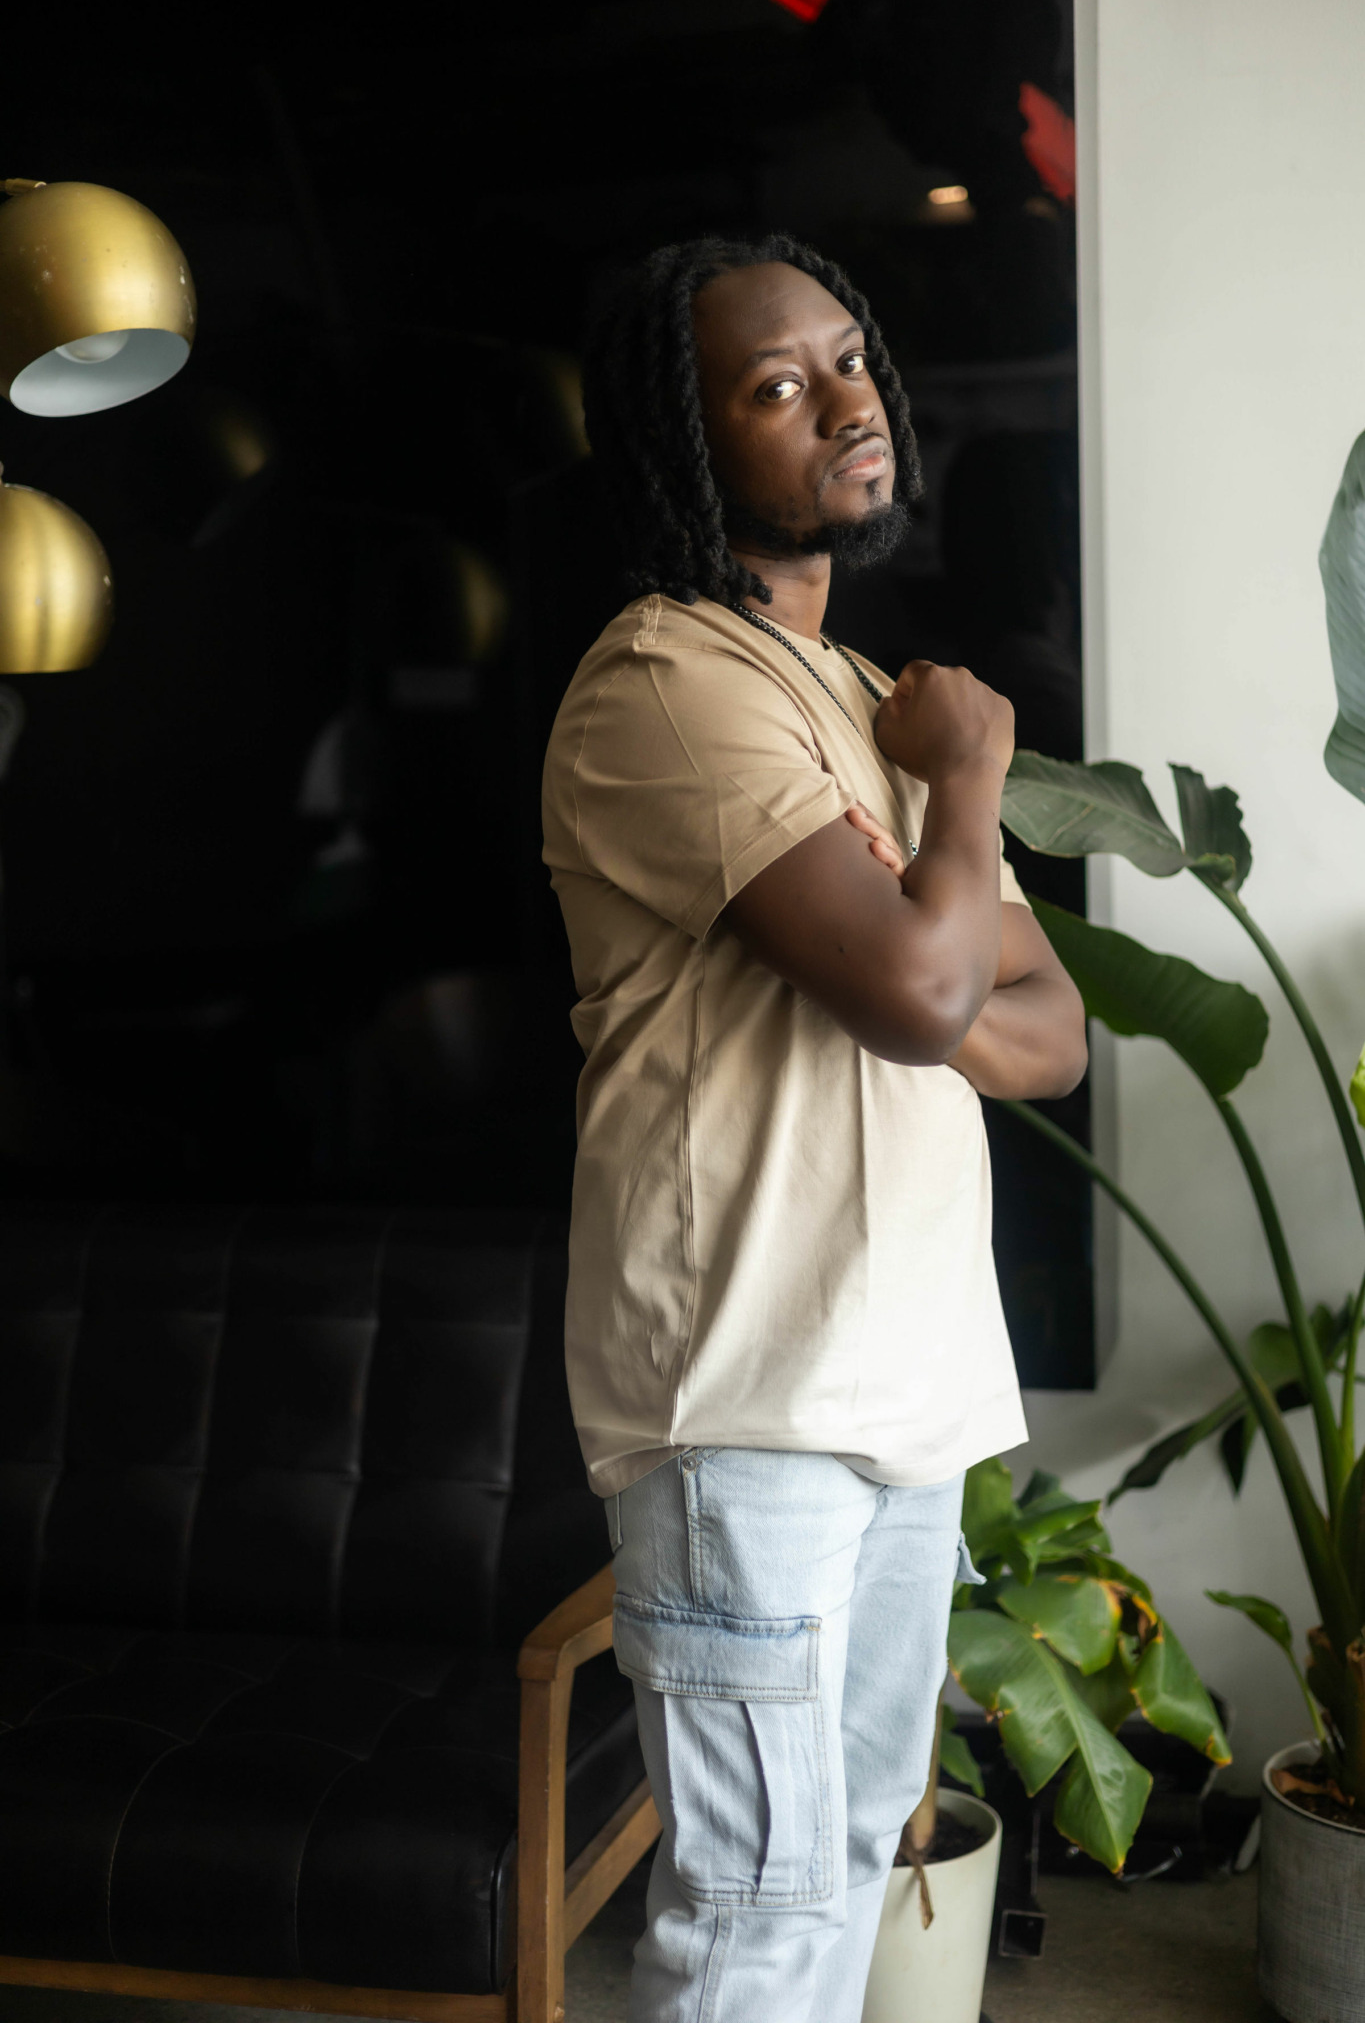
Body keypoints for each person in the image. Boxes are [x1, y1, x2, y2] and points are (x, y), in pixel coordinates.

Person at [541, 234, 1087, 2023]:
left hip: (900, 1395)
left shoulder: (865, 702)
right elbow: (934, 993)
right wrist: (966, 802)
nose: (847, 401)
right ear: (686, 440)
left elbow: (1049, 1031)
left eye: (848, 359)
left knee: (849, 1865)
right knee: (752, 1928)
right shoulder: (665, 686)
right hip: (749, 1405)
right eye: (777, 385)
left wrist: (919, 941)